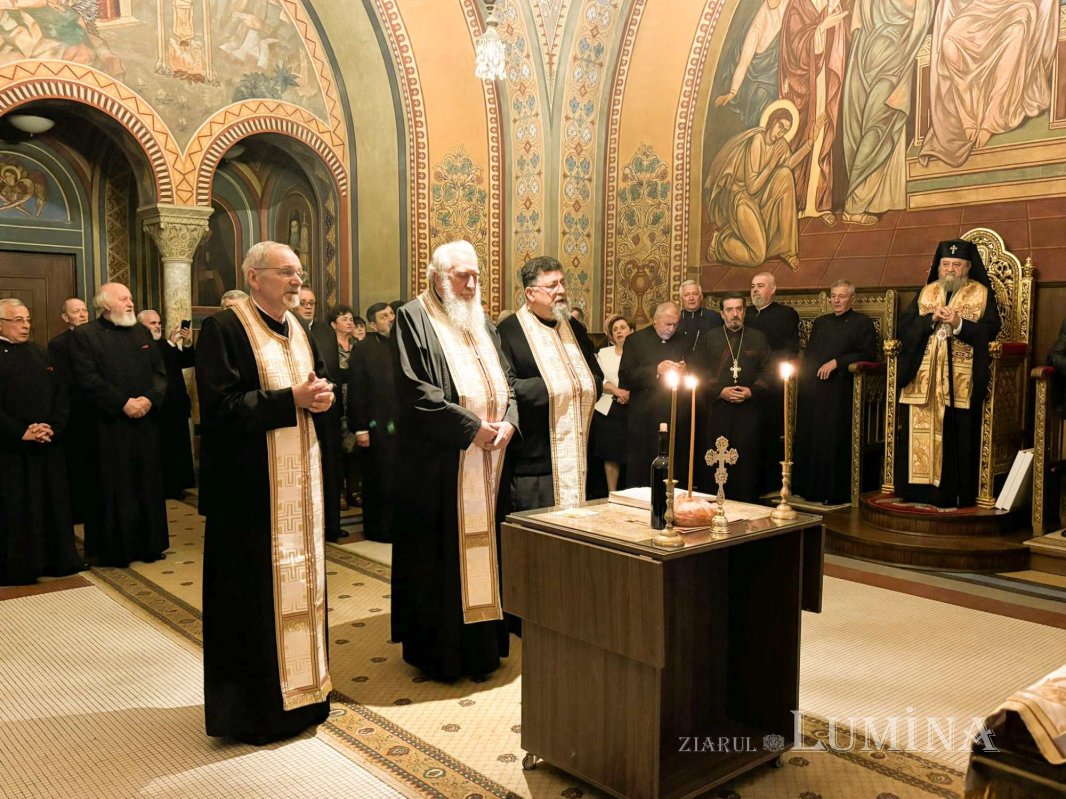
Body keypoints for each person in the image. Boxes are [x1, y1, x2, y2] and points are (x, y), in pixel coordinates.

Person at [196, 241, 334, 745]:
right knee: (251, 600)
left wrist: (322, 398)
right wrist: (290, 399)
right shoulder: (224, 328)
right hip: (249, 495)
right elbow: (220, 409)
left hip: (300, 486)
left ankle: (306, 695)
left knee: (304, 587)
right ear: (254, 277)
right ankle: (254, 713)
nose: (297, 280)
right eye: (285, 272)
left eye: (299, 272)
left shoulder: (300, 327)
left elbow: (316, 384)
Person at [391, 240, 518, 681]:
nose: (471, 284)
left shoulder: (482, 322)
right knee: (442, 561)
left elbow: (509, 381)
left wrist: (509, 422)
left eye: (476, 276)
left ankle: (483, 650)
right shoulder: (413, 318)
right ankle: (441, 655)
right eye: (462, 275)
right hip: (440, 466)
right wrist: (471, 428)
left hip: (490, 463)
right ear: (437, 276)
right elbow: (415, 390)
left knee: (487, 554)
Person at [896, 239, 1001, 507]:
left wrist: (959, 323)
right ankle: (917, 492)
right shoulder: (927, 292)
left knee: (956, 433)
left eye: (957, 264)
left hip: (959, 380)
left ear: (968, 267)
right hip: (924, 378)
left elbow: (991, 330)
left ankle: (951, 494)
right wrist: (930, 319)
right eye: (945, 264)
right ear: (938, 266)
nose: (950, 270)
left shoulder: (981, 294)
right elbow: (904, 328)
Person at [72, 283, 169, 567]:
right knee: (113, 486)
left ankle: (150, 545)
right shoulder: (85, 336)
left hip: (145, 423)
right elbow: (88, 379)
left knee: (147, 482)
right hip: (108, 426)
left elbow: (159, 372)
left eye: (130, 298)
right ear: (105, 305)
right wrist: (122, 403)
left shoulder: (141, 333)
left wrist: (150, 399)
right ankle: (115, 550)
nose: (130, 303)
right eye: (124, 299)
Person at [498, 256, 601, 511]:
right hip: (534, 462)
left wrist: (579, 385)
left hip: (580, 452)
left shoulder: (575, 328)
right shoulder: (510, 331)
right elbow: (508, 388)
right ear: (530, 293)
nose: (562, 290)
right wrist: (559, 386)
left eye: (563, 282)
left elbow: (595, 378)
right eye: (552, 285)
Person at [0, 299, 82, 584]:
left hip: (47, 444)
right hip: (10, 450)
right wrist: (20, 432)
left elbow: (62, 393)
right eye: (17, 320)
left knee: (51, 504)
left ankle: (57, 560)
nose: (25, 326)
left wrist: (52, 428)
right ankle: (19, 567)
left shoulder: (40, 352)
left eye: (27, 319)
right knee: (17, 509)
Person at [918, 0, 1057, 168]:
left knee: (1016, 32)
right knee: (949, 42)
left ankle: (992, 119)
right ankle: (968, 116)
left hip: (1016, 6)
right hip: (979, 7)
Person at [841, 0, 933, 225]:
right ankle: (854, 204)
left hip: (882, 62)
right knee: (870, 130)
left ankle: (856, 202)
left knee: (875, 130)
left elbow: (858, 24)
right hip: (873, 60)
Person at [793, 280, 878, 504]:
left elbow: (868, 353)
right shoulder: (821, 322)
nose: (836, 300)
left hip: (842, 388)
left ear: (852, 299)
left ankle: (832, 492)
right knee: (809, 429)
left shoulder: (863, 323)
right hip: (815, 387)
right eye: (833, 296)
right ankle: (807, 488)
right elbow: (810, 354)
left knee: (831, 435)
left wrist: (838, 363)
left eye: (841, 296)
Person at [691, 293, 771, 503]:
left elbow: (768, 371)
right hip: (717, 409)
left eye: (738, 309)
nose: (734, 314)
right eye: (729, 310)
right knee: (716, 455)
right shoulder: (709, 338)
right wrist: (719, 391)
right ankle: (715, 499)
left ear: (744, 311)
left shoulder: (758, 337)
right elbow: (698, 371)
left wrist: (752, 391)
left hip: (748, 409)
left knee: (746, 456)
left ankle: (745, 500)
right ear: (722, 314)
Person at [619, 301, 690, 489]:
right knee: (643, 469)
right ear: (655, 319)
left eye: (675, 324)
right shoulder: (635, 340)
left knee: (675, 467)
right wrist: (656, 370)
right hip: (644, 417)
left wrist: (685, 371)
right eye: (667, 323)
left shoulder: (684, 340)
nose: (671, 329)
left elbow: (695, 372)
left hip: (675, 414)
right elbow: (625, 377)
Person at [347, 302, 398, 542]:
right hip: (375, 426)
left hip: (402, 426)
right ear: (373, 325)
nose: (390, 318)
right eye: (383, 316)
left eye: (391, 314)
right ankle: (379, 529)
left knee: (399, 479)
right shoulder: (363, 348)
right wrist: (360, 427)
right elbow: (356, 389)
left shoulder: (403, 344)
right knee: (380, 478)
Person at [747, 271, 800, 494]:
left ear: (773, 289)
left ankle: (768, 483)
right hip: (745, 378)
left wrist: (763, 365)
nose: (755, 290)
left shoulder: (786, 315)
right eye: (753, 286)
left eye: (760, 286)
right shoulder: (745, 313)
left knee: (767, 432)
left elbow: (790, 350)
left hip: (771, 382)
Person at [299, 287, 344, 541]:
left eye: (312, 303)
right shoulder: (289, 327)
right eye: (303, 302)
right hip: (300, 408)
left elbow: (331, 370)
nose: (308, 307)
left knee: (331, 467)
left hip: (328, 410)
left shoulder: (325, 331)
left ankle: (332, 525)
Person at [138, 310, 196, 500]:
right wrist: (171, 344)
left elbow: (186, 361)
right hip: (158, 407)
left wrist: (186, 343)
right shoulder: (141, 345)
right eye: (152, 323)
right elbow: (162, 364)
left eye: (158, 323)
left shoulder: (165, 344)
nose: (157, 326)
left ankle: (178, 485)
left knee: (178, 449)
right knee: (162, 449)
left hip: (176, 405)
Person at [48, 297, 93, 524]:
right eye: (77, 311)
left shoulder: (98, 337)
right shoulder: (59, 344)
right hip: (75, 412)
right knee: (77, 465)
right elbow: (63, 381)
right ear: (65, 317)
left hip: (100, 410)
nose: (83, 314)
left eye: (85, 310)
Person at [592, 315, 634, 492]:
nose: (619, 332)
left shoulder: (639, 351)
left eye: (623, 328)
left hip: (634, 408)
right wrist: (617, 391)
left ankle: (631, 492)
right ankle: (612, 493)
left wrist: (631, 394)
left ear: (632, 331)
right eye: (615, 329)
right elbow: (597, 379)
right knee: (611, 454)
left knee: (633, 454)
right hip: (609, 409)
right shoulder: (603, 353)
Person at [677, 279, 722, 352]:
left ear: (701, 297)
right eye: (687, 295)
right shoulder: (675, 318)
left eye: (695, 294)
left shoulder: (715, 317)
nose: (691, 298)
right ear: (681, 299)